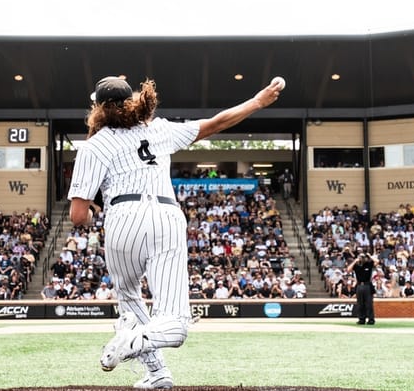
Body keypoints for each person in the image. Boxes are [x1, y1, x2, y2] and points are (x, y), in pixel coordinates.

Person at [67, 75, 282, 388]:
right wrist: (258, 102)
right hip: (167, 216)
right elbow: (216, 123)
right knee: (176, 325)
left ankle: (150, 364)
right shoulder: (159, 129)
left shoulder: (94, 146)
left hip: (122, 219)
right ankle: (144, 354)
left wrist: (96, 211)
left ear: (98, 109)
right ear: (133, 102)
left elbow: (77, 216)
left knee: (128, 298)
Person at [346, 252, 377, 325]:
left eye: (363, 257)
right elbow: (348, 270)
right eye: (360, 257)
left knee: (369, 303)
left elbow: (377, 262)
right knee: (360, 303)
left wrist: (370, 256)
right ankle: (361, 319)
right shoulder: (356, 266)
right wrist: (355, 261)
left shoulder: (368, 264)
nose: (362, 259)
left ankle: (371, 319)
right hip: (359, 285)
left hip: (367, 285)